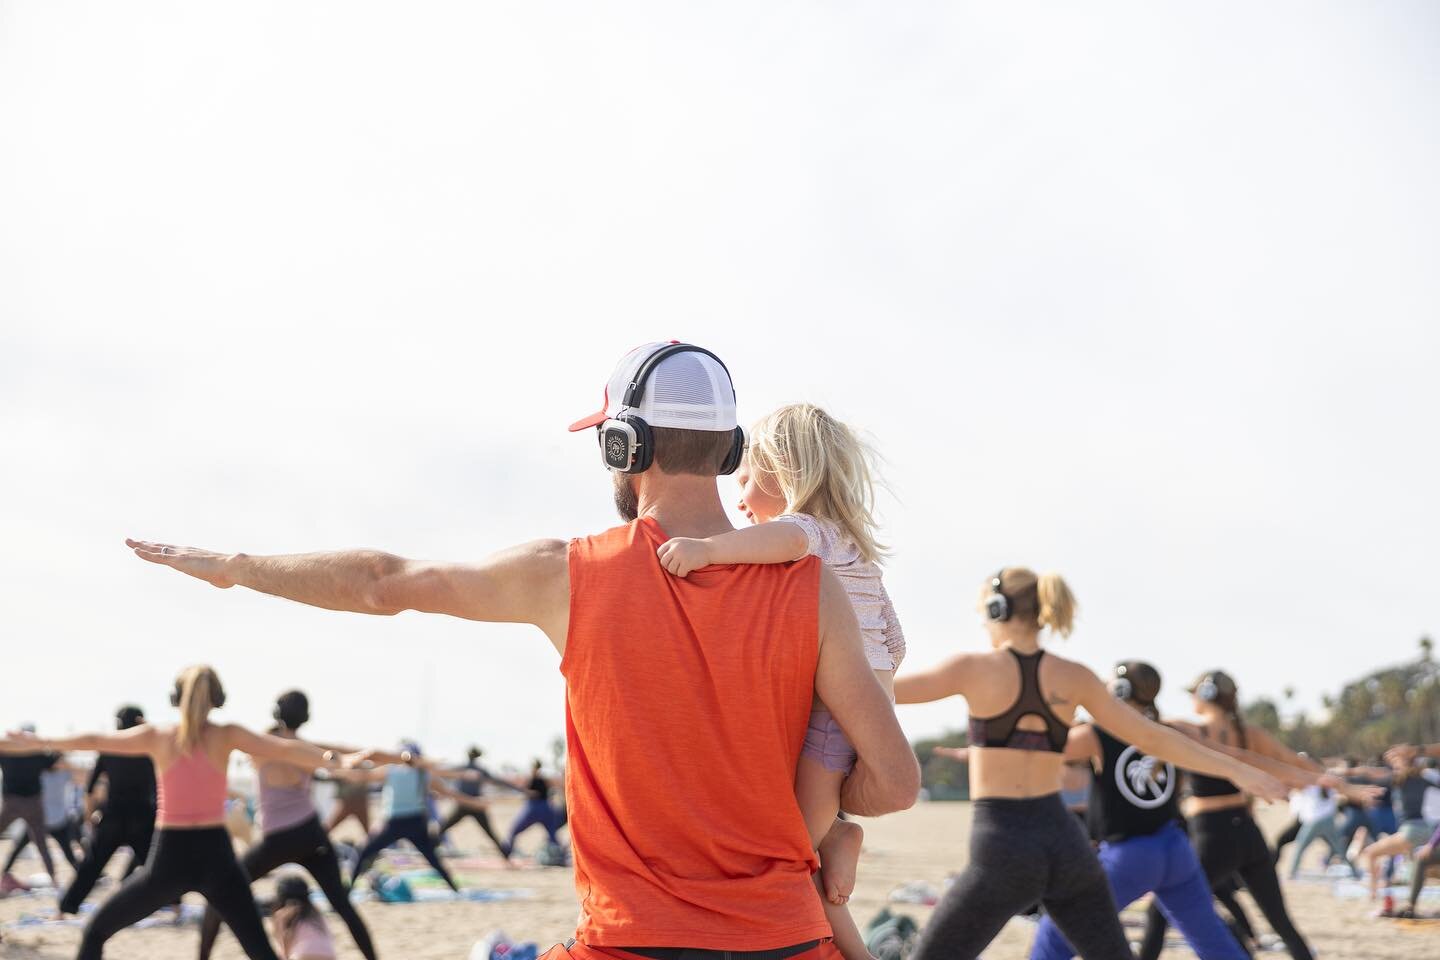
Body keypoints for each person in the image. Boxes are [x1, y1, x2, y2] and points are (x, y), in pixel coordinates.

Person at [126, 340, 919, 960]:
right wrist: (826, 822)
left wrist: (235, 571)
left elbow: (383, 581)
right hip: (787, 939)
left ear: (622, 445)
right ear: (727, 447)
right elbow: (895, 778)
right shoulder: (814, 589)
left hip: (633, 942)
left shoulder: (567, 576)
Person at [893, 568, 1285, 960]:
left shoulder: (970, 668)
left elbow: (875, 691)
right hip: (1066, 843)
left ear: (999, 609)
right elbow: (1153, 737)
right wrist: (1239, 771)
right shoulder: (1075, 677)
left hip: (1004, 842)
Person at [656, 401, 902, 960]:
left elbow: (783, 542)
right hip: (865, 709)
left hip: (835, 717)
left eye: (744, 477)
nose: (737, 497)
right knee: (804, 838)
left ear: (786, 470)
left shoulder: (809, 531)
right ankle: (840, 833)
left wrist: (707, 551)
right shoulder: (856, 550)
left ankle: (853, 927)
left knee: (792, 854)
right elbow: (894, 637)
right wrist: (881, 687)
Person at [3, 665, 353, 960]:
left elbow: (94, 739)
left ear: (174, 698)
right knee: (262, 953)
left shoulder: (158, 735)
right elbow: (287, 748)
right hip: (217, 858)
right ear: (217, 699)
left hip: (170, 858)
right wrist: (332, 761)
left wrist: (37, 741)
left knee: (96, 932)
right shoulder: (226, 734)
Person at [1135, 671, 1343, 960]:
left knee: (1161, 911)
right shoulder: (1249, 734)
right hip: (1248, 833)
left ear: (1205, 695)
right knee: (1281, 922)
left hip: (1211, 835)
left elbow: (1139, 727)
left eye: (1193, 693)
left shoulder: (1190, 730)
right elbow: (1293, 760)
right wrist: (1339, 783)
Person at [198, 690, 376, 960]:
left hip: (278, 840)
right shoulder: (307, 749)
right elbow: (349, 753)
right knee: (343, 906)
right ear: (305, 717)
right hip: (310, 835)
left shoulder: (261, 746)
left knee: (219, 896)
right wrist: (400, 759)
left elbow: (218, 748)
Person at [59, 705, 158, 914]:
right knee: (157, 867)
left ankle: (67, 908)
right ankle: (175, 906)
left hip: (113, 817)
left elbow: (89, 789)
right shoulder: (150, 751)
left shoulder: (110, 749)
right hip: (143, 818)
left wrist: (88, 817)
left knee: (91, 867)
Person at [345, 743, 478, 893]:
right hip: (410, 822)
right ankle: (454, 888)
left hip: (401, 822)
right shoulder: (411, 772)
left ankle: (348, 889)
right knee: (432, 859)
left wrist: (344, 768)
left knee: (364, 852)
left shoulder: (402, 771)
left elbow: (363, 777)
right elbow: (448, 793)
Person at [1358, 753, 1440, 900]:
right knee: (1417, 865)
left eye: (1396, 762)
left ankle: (1372, 894)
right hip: (1427, 830)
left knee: (1370, 853)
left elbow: (1374, 775)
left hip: (1411, 830)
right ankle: (1395, 888)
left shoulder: (1401, 778)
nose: (1394, 766)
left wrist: (1350, 774)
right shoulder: (1423, 778)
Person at [2, 761, 84, 878]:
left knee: (19, 848)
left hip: (38, 818)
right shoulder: (65, 775)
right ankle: (80, 874)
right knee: (67, 852)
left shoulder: (40, 775)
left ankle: (5, 872)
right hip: (57, 819)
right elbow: (79, 780)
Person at [435, 746, 518, 860]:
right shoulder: (478, 770)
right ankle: (506, 855)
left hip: (467, 804)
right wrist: (519, 789)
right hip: (475, 804)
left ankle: (430, 847)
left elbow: (442, 773)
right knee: (490, 833)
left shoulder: (463, 768)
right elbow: (498, 781)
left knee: (443, 828)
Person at [504, 759, 563, 856]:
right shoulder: (544, 780)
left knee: (514, 830)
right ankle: (558, 854)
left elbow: (526, 792)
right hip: (545, 807)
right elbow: (552, 791)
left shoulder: (532, 779)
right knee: (552, 834)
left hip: (534, 808)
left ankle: (506, 851)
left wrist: (529, 793)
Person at [270, 874, 336, 960]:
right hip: (329, 955)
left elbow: (283, 948)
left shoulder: (282, 915)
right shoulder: (315, 912)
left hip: (302, 955)